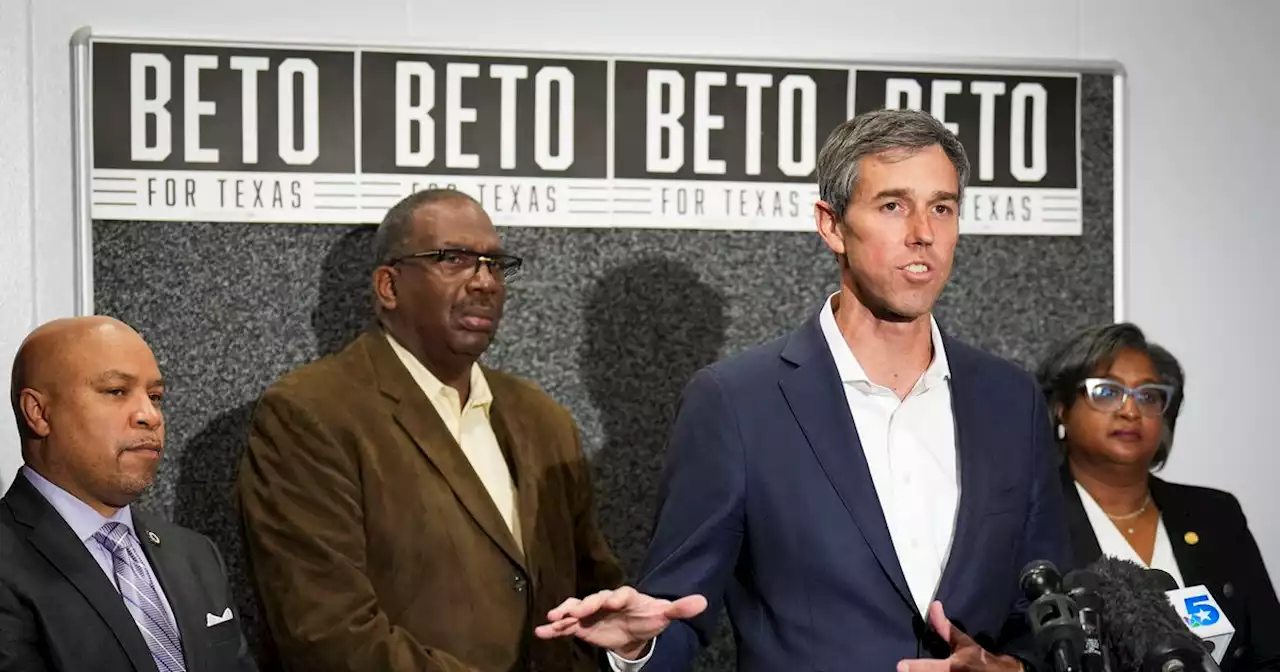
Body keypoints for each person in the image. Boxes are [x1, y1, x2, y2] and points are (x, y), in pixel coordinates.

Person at [535, 108, 1072, 671]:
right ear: (831, 225)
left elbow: (1044, 614)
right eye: (893, 206)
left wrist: (1011, 668)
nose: (923, 234)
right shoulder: (739, 403)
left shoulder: (1010, 400)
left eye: (943, 207)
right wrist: (636, 645)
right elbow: (678, 613)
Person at [236, 189, 642, 671]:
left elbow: (591, 600)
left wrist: (626, 650)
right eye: (454, 259)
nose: (484, 282)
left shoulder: (544, 420)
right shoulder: (310, 415)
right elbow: (328, 633)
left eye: (494, 263)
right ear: (389, 286)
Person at [0, 316, 257, 672]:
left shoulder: (196, 556)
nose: (150, 415)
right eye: (117, 391)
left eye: (155, 396)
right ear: (39, 412)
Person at [1037, 322, 1280, 670]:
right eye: (1107, 392)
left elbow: (1270, 651)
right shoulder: (1033, 517)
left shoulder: (1215, 515)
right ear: (1061, 407)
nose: (1130, 411)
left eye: (1148, 396)